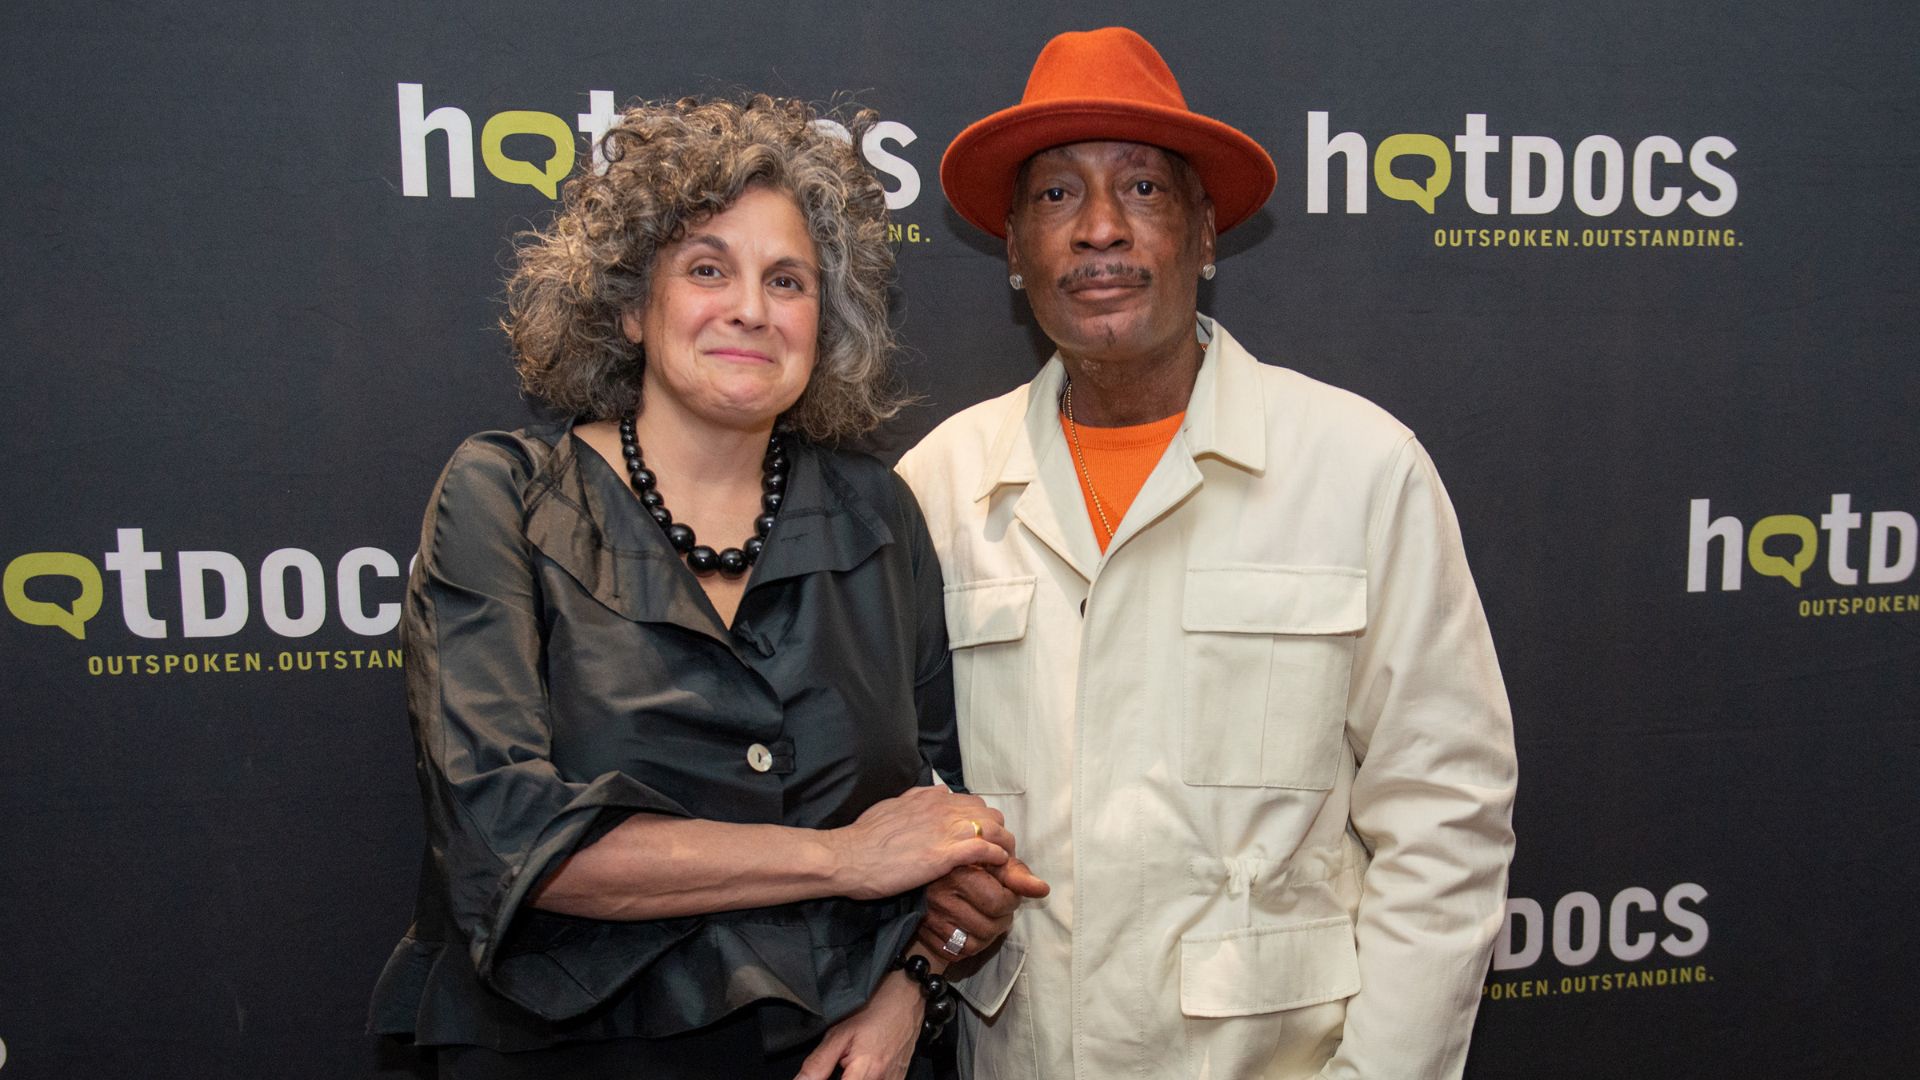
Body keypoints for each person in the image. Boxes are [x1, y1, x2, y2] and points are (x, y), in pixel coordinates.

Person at [895, 28, 1519, 1080]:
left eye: (1141, 188)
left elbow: (1445, 823)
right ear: (1011, 250)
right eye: (1055, 197)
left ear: (1205, 234)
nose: (1099, 230)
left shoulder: (1359, 468)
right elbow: (891, 792)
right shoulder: (937, 486)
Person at [369, 94, 1032, 1080]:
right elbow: (508, 841)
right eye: (708, 269)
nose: (752, 310)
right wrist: (841, 860)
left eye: (788, 280)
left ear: (827, 319)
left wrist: (913, 991)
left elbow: (954, 839)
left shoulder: (879, 516)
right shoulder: (501, 497)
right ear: (632, 304)